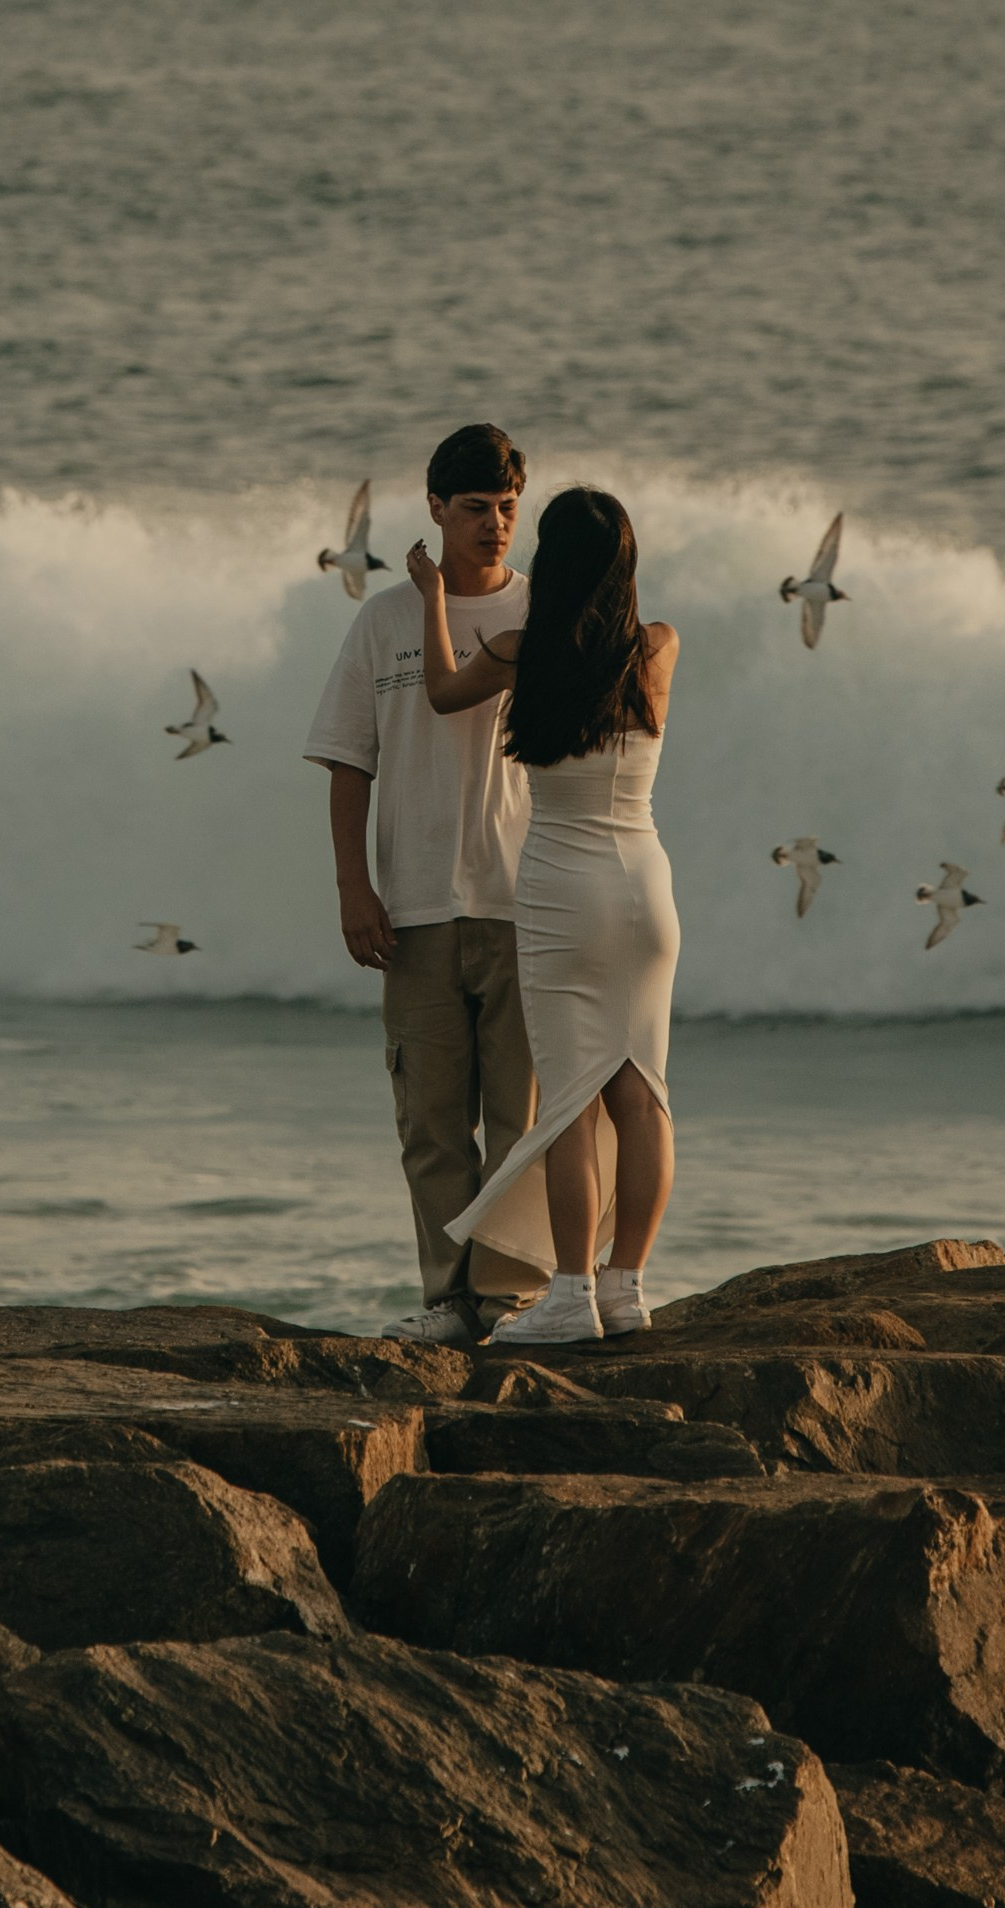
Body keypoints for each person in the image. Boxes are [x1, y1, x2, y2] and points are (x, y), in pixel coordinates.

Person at [409, 486, 680, 1343]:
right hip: (646, 886)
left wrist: (431, 601)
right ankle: (624, 1289)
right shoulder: (659, 649)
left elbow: (444, 693)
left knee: (570, 1101)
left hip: (564, 892)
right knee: (642, 1093)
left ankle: (567, 1294)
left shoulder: (523, 651)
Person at [303, 425, 550, 1344]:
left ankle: (509, 1296)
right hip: (411, 904)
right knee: (431, 1119)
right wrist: (351, 888)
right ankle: (447, 1300)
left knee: (520, 1114)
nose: (494, 524)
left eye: (507, 508)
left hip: (523, 902)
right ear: (436, 509)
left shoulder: (543, 613)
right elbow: (345, 762)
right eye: (476, 507)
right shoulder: (384, 620)